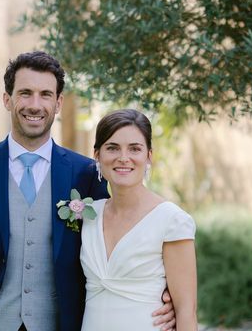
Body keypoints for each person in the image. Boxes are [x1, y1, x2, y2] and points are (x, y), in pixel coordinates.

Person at [0, 51, 176, 331]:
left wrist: (162, 295)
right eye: (25, 93)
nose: (35, 105)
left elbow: (114, 248)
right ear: (7, 99)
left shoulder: (85, 173)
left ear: (58, 103)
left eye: (45, 94)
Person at [80, 109, 198, 331]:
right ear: (97, 155)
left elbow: (186, 310)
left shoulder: (171, 220)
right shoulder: (88, 215)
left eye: (134, 148)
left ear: (149, 156)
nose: (123, 157)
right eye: (112, 148)